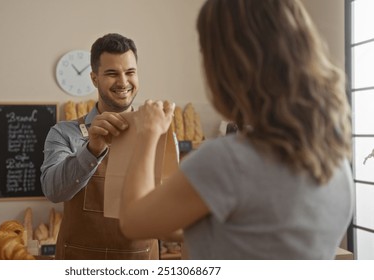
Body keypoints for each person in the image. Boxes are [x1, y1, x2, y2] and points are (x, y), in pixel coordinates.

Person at [119, 0, 354, 259]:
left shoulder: (228, 160)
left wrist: (148, 132)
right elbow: (256, 233)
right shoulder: (334, 159)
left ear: (226, 65)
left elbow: (132, 221)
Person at [40, 33, 159, 259]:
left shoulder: (159, 135)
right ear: (94, 79)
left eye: (130, 72)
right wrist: (92, 151)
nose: (123, 82)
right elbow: (53, 191)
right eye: (112, 73)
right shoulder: (64, 133)